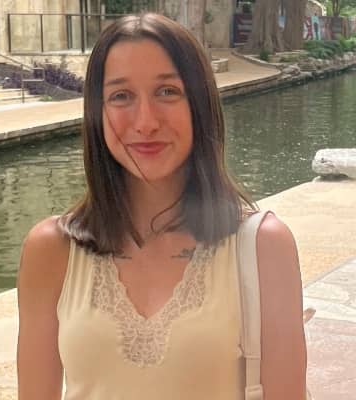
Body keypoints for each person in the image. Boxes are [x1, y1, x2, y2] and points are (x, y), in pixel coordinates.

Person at [17, 13, 307, 400]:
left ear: (200, 104)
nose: (146, 122)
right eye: (121, 96)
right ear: (97, 113)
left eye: (167, 92)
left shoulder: (262, 246)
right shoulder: (52, 249)